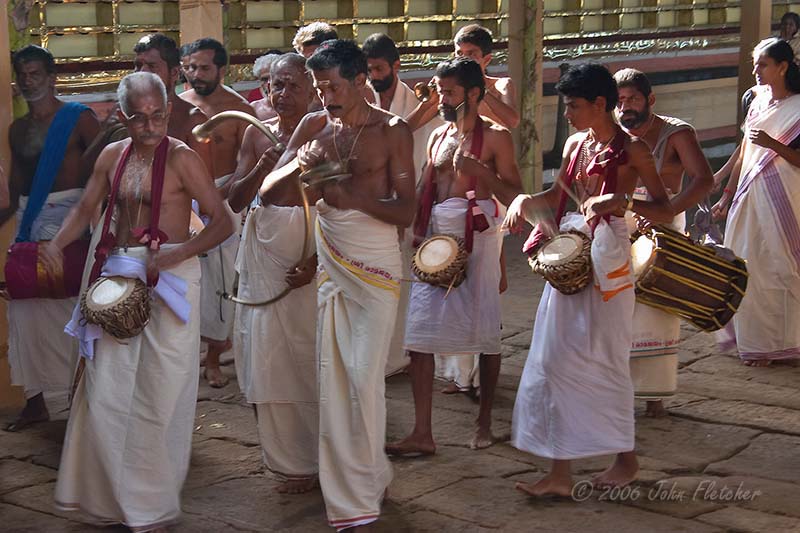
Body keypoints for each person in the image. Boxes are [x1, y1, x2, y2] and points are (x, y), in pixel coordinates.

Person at [45, 72, 233, 531]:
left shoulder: (184, 159)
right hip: (119, 275)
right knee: (104, 388)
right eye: (140, 117)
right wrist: (56, 243)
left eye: (159, 116)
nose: (151, 126)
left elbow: (222, 222)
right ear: (121, 116)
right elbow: (86, 208)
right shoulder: (113, 155)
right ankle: (106, 499)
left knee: (161, 391)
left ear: (168, 111)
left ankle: (150, 504)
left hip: (171, 278)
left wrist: (178, 253)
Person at [261, 39, 415, 531]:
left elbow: (406, 212)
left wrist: (348, 196)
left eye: (332, 86)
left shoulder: (393, 131)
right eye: (319, 86)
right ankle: (362, 481)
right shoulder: (313, 125)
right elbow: (270, 193)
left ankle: (364, 484)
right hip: (331, 267)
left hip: (375, 266)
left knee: (364, 379)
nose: (324, 96)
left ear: (359, 80)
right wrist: (298, 163)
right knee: (336, 379)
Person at [504, 63, 674, 497]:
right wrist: (524, 199)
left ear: (601, 104)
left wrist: (621, 201)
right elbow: (557, 200)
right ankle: (560, 474)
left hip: (610, 257)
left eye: (573, 106)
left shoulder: (633, 150)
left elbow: (663, 207)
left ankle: (625, 459)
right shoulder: (576, 145)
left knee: (606, 358)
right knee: (555, 359)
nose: (567, 115)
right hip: (574, 254)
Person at [385, 57, 522, 455]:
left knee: (485, 331)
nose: (440, 99)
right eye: (440, 91)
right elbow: (426, 185)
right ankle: (422, 432)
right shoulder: (438, 135)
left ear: (475, 94)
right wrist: (404, 219)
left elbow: (514, 195)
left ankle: (483, 424)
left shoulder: (496, 137)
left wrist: (482, 172)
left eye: (449, 93)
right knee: (419, 335)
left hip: (478, 236)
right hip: (436, 239)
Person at [227, 53, 320, 494]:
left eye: (292, 86)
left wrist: (318, 261)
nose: (281, 95)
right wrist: (264, 167)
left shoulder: (329, 134)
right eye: (275, 86)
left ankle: (322, 456)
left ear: (313, 89)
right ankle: (285, 461)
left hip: (309, 256)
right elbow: (235, 200)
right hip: (264, 253)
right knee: (263, 355)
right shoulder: (253, 132)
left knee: (312, 358)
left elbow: (342, 210)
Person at [1, 45, 101, 431]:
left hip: (71, 221)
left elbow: (102, 172)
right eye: (22, 75)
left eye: (36, 73)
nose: (29, 81)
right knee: (23, 312)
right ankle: (35, 401)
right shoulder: (17, 128)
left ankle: (82, 394)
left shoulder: (78, 119)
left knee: (73, 311)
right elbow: (16, 184)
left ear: (52, 77)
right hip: (29, 223)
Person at [614, 67, 714, 417]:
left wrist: (664, 211)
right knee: (616, 306)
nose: (626, 107)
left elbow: (703, 181)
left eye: (633, 99)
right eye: (620, 101)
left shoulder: (676, 133)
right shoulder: (613, 135)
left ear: (650, 100)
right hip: (621, 222)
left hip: (665, 222)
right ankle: (617, 388)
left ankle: (653, 397)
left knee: (656, 310)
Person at [712, 38, 800, 367]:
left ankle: (787, 342)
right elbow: (744, 152)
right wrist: (724, 192)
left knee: (782, 268)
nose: (756, 71)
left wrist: (772, 144)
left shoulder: (798, 109)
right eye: (755, 63)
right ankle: (756, 343)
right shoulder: (756, 100)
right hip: (749, 197)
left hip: (787, 199)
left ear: (783, 66)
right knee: (748, 265)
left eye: (763, 64)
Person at [362, 32, 445, 377]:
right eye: (368, 70)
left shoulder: (419, 104)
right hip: (370, 204)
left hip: (409, 206)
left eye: (379, 68)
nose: (373, 76)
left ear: (396, 65)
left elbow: (430, 161)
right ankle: (377, 355)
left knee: (406, 284)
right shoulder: (361, 100)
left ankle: (401, 355)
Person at [183, 37, 255, 387]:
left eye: (204, 67)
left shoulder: (240, 111)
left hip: (224, 201)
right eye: (191, 67)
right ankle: (183, 357)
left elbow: (247, 163)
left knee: (221, 284)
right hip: (183, 203)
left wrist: (215, 199)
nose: (197, 74)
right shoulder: (179, 108)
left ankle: (214, 359)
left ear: (222, 70)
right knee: (183, 278)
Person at [132, 33, 213, 173]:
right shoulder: (125, 114)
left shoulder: (193, 121)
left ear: (174, 73)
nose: (142, 72)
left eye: (152, 66)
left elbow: (203, 188)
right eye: (138, 65)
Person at [249, 51, 282, 120]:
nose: (269, 84)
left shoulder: (298, 106)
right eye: (264, 79)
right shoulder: (253, 109)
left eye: (273, 78)